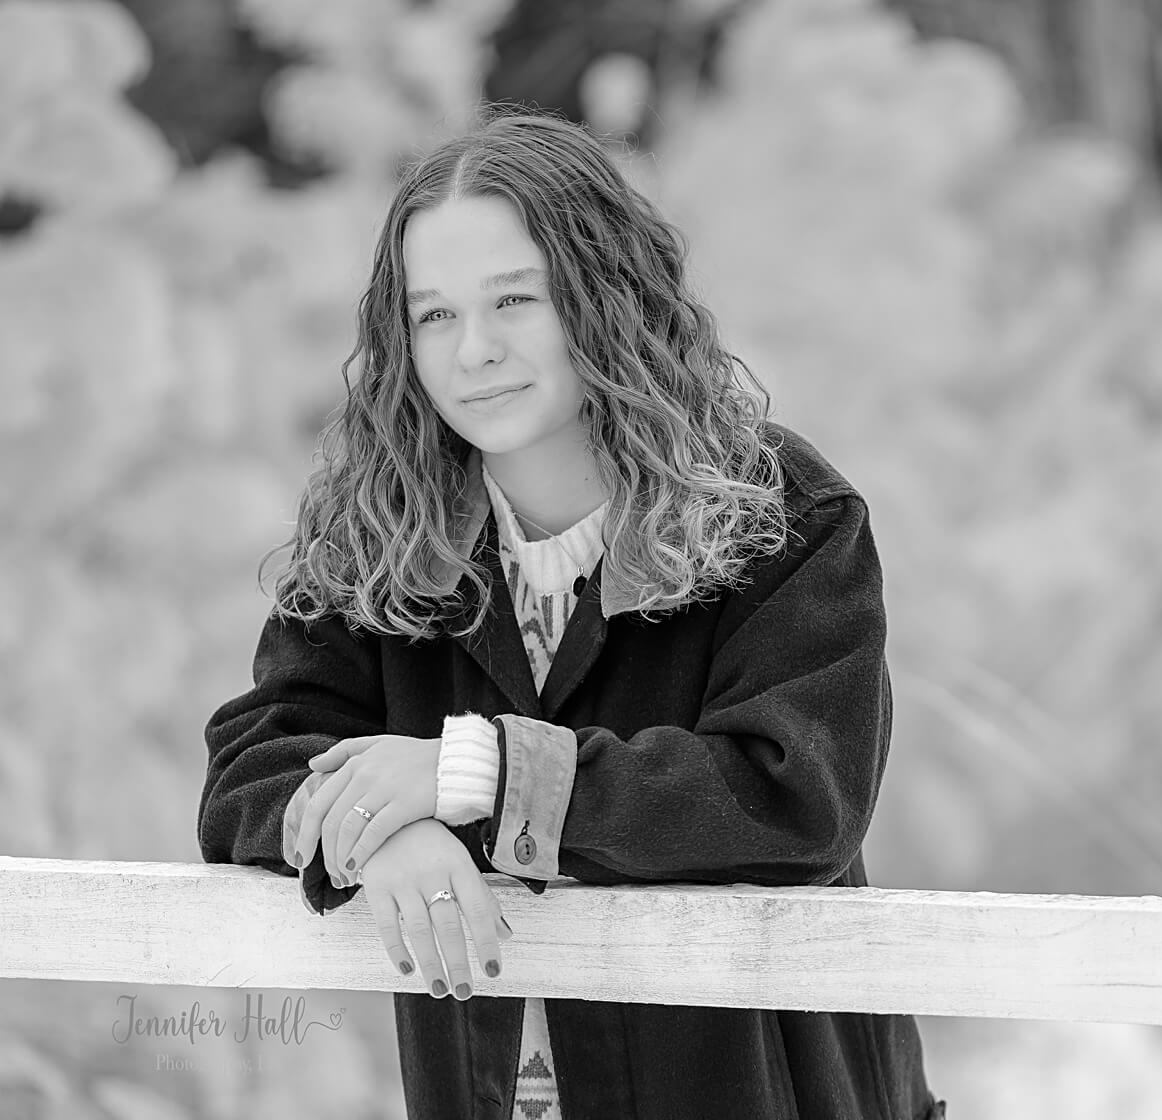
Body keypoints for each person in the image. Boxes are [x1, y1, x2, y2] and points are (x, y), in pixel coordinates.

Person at [199, 108, 944, 1120]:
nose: (474, 351)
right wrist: (379, 835)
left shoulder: (775, 516)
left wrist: (472, 779)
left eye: (515, 300)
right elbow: (254, 764)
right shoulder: (384, 535)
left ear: (600, 298)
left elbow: (790, 799)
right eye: (433, 315)